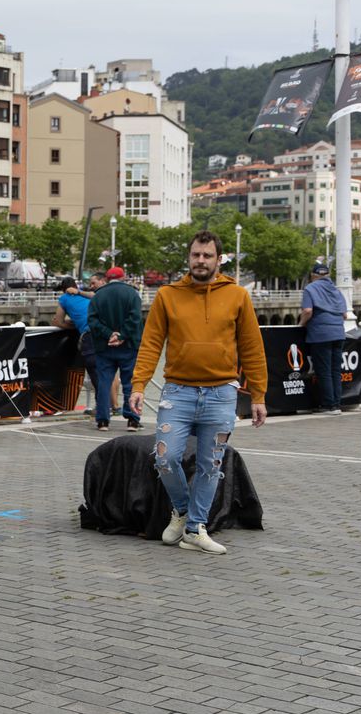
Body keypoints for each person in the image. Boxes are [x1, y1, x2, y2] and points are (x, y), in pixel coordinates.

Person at [131, 230, 268, 555]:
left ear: (219, 260)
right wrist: (138, 384)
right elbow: (151, 343)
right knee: (165, 458)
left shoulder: (237, 296)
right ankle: (181, 510)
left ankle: (195, 529)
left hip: (222, 393)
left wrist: (259, 395)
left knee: (211, 465)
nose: (201, 261)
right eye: (196, 255)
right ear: (189, 257)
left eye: (207, 256)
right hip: (177, 392)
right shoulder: (168, 295)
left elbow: (252, 347)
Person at [87, 266, 143, 432]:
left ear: (107, 278)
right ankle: (132, 420)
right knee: (130, 383)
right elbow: (135, 318)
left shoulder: (98, 295)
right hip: (129, 346)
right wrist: (122, 336)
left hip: (104, 346)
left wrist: (109, 334)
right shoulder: (132, 294)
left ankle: (103, 421)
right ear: (123, 277)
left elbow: (92, 320)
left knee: (104, 383)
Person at [300, 263, 348, 414]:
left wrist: (301, 323)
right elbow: (345, 315)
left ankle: (328, 405)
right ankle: (337, 404)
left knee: (324, 371)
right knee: (336, 371)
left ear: (313, 276)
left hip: (321, 334)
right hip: (339, 333)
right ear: (327, 275)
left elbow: (308, 311)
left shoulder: (310, 288)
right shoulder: (336, 290)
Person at [53, 275, 100, 413]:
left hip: (89, 336)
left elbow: (58, 322)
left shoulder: (64, 299)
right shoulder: (86, 295)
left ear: (63, 289)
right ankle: (111, 406)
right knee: (105, 370)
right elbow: (96, 297)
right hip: (103, 332)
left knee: (94, 372)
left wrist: (73, 325)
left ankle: (102, 407)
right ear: (76, 286)